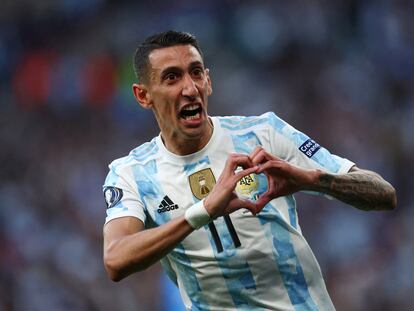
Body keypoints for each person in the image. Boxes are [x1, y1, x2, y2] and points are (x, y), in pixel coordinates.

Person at [102, 30, 396, 311]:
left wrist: (311, 179)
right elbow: (116, 259)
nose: (190, 88)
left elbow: (384, 194)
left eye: (196, 72)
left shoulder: (263, 133)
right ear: (143, 96)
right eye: (172, 77)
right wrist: (203, 211)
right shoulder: (132, 173)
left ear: (209, 80)